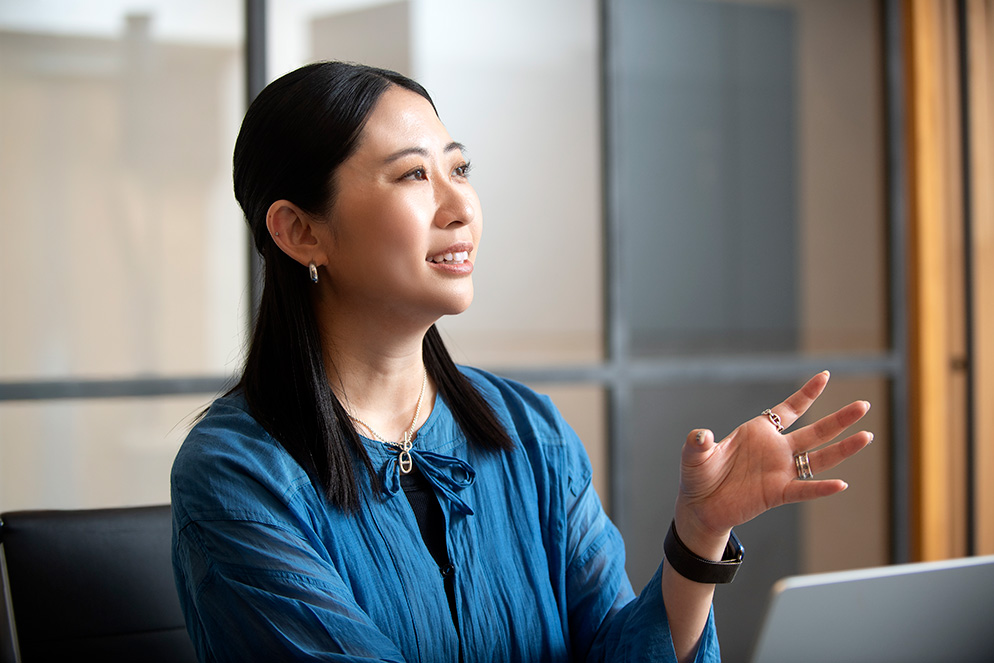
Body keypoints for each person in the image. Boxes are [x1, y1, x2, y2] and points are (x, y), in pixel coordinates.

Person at [170, 61, 872, 663]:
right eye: (413, 175)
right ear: (301, 230)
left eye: (460, 167)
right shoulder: (237, 471)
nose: (461, 206)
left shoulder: (527, 429)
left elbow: (614, 647)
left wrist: (698, 535)